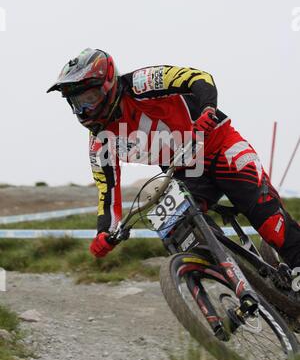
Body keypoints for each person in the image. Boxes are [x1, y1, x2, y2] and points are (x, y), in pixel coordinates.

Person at [47, 48, 300, 268]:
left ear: (108, 86)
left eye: (89, 99)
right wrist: (105, 232)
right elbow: (107, 193)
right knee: (178, 228)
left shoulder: (141, 83)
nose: (83, 109)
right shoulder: (100, 142)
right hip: (184, 172)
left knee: (270, 223)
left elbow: (200, 79)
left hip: (219, 145)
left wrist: (206, 112)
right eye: (76, 102)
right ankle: (237, 276)